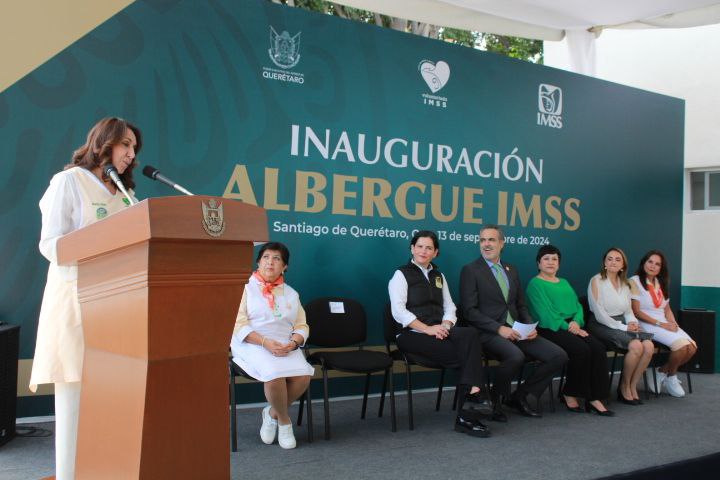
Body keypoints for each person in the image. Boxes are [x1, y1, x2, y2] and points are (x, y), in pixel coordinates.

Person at [28, 117, 142, 479]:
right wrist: (97, 244)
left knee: (111, 402)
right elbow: (50, 244)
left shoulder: (126, 194)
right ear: (104, 143)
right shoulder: (68, 182)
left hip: (119, 307)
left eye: (134, 148)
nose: (130, 154)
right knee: (75, 400)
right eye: (125, 144)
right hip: (76, 302)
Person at [389, 230, 491, 437]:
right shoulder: (401, 274)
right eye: (419, 246)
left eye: (428, 248)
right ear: (412, 248)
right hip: (411, 335)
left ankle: (471, 405)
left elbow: (450, 306)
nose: (423, 251)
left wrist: (445, 325)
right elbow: (398, 311)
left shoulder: (438, 275)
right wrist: (427, 329)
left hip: (439, 331)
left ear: (435, 252)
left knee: (470, 334)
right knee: (467, 357)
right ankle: (471, 407)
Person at [460, 225, 567, 420]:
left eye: (491, 240)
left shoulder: (511, 270)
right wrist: (498, 328)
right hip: (487, 332)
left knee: (558, 355)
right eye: (482, 240)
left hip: (517, 330)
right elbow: (469, 311)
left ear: (502, 243)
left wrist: (529, 326)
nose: (486, 244)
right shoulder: (470, 270)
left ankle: (520, 396)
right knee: (515, 356)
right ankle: (496, 399)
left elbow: (521, 305)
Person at [230, 242, 313, 449]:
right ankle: (285, 422)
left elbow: (302, 325)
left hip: (284, 344)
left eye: (277, 259)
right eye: (266, 257)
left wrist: (294, 343)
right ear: (258, 262)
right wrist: (265, 342)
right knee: (274, 374)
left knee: (303, 376)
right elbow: (238, 324)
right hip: (252, 342)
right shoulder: (244, 287)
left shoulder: (292, 294)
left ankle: (272, 413)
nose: (270, 262)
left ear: (284, 266)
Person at [526, 245, 614, 416]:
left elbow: (578, 307)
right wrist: (570, 327)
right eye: (546, 259)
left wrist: (576, 322)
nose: (550, 262)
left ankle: (595, 397)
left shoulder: (564, 282)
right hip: (550, 328)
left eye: (554, 259)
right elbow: (546, 314)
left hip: (573, 325)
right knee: (581, 350)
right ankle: (569, 392)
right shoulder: (535, 284)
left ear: (559, 264)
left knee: (597, 348)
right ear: (538, 263)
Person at [586, 247, 654, 405]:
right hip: (600, 323)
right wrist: (624, 327)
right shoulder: (596, 280)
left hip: (622, 323)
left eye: (617, 259)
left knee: (649, 346)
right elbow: (599, 313)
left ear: (623, 265)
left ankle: (631, 384)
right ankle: (623, 387)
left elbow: (628, 310)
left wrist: (632, 322)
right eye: (609, 258)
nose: (613, 262)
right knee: (636, 346)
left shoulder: (625, 283)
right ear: (604, 262)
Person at [630, 250, 697, 397]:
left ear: (661, 268)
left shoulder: (661, 283)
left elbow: (667, 309)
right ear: (643, 263)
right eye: (650, 262)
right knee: (680, 347)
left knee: (691, 347)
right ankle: (670, 376)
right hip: (647, 323)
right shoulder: (634, 281)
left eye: (657, 264)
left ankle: (663, 372)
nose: (653, 266)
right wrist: (662, 324)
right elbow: (636, 312)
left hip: (664, 322)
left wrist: (673, 323)